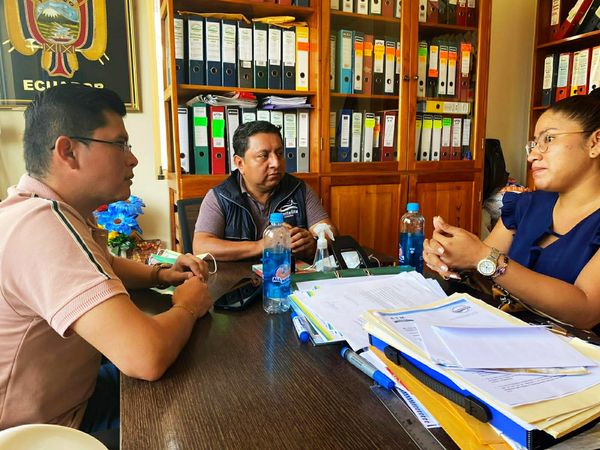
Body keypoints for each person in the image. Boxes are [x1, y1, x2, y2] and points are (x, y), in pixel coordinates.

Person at [0, 85, 212, 438]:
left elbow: (103, 265)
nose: (133, 159)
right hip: (41, 435)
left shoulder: (45, 210)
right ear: (68, 151)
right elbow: (146, 357)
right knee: (198, 423)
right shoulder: (41, 226)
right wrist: (188, 305)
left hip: (72, 397)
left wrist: (160, 275)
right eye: (120, 144)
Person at [423, 89, 600, 331]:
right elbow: (486, 273)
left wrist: (484, 258)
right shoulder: (527, 205)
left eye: (549, 139)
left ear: (595, 143)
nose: (533, 155)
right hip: (509, 335)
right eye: (534, 144)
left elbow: (586, 311)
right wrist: (452, 258)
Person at [193, 120, 336, 261]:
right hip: (240, 276)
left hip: (286, 274)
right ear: (240, 163)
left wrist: (314, 242)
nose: (276, 163)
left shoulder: (299, 189)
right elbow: (201, 246)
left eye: (279, 153)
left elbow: (329, 231)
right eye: (263, 156)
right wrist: (262, 245)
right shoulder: (221, 197)